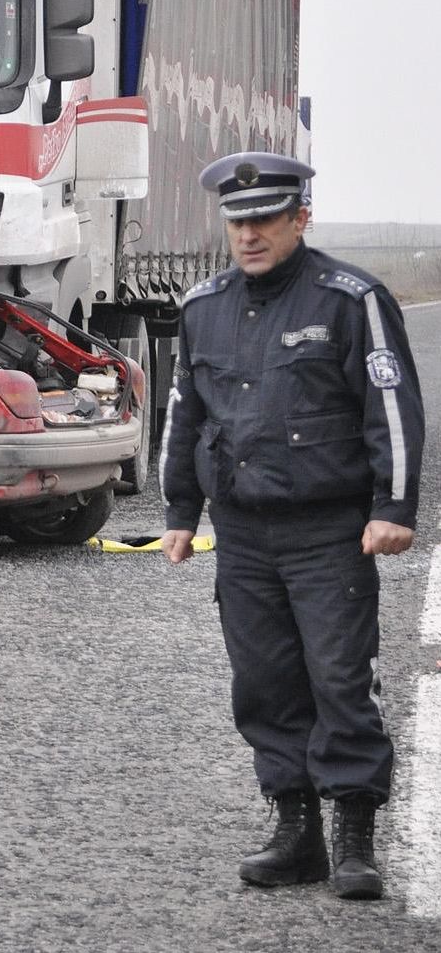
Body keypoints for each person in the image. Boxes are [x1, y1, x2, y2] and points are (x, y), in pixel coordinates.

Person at [160, 151, 425, 902]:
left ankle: (354, 837)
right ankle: (295, 830)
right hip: (243, 536)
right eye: (237, 222)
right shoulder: (203, 306)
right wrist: (179, 511)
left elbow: (390, 407)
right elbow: (186, 414)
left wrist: (392, 507)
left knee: (339, 677)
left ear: (300, 218)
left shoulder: (350, 299)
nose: (249, 235)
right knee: (264, 683)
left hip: (327, 531)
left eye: (266, 220)